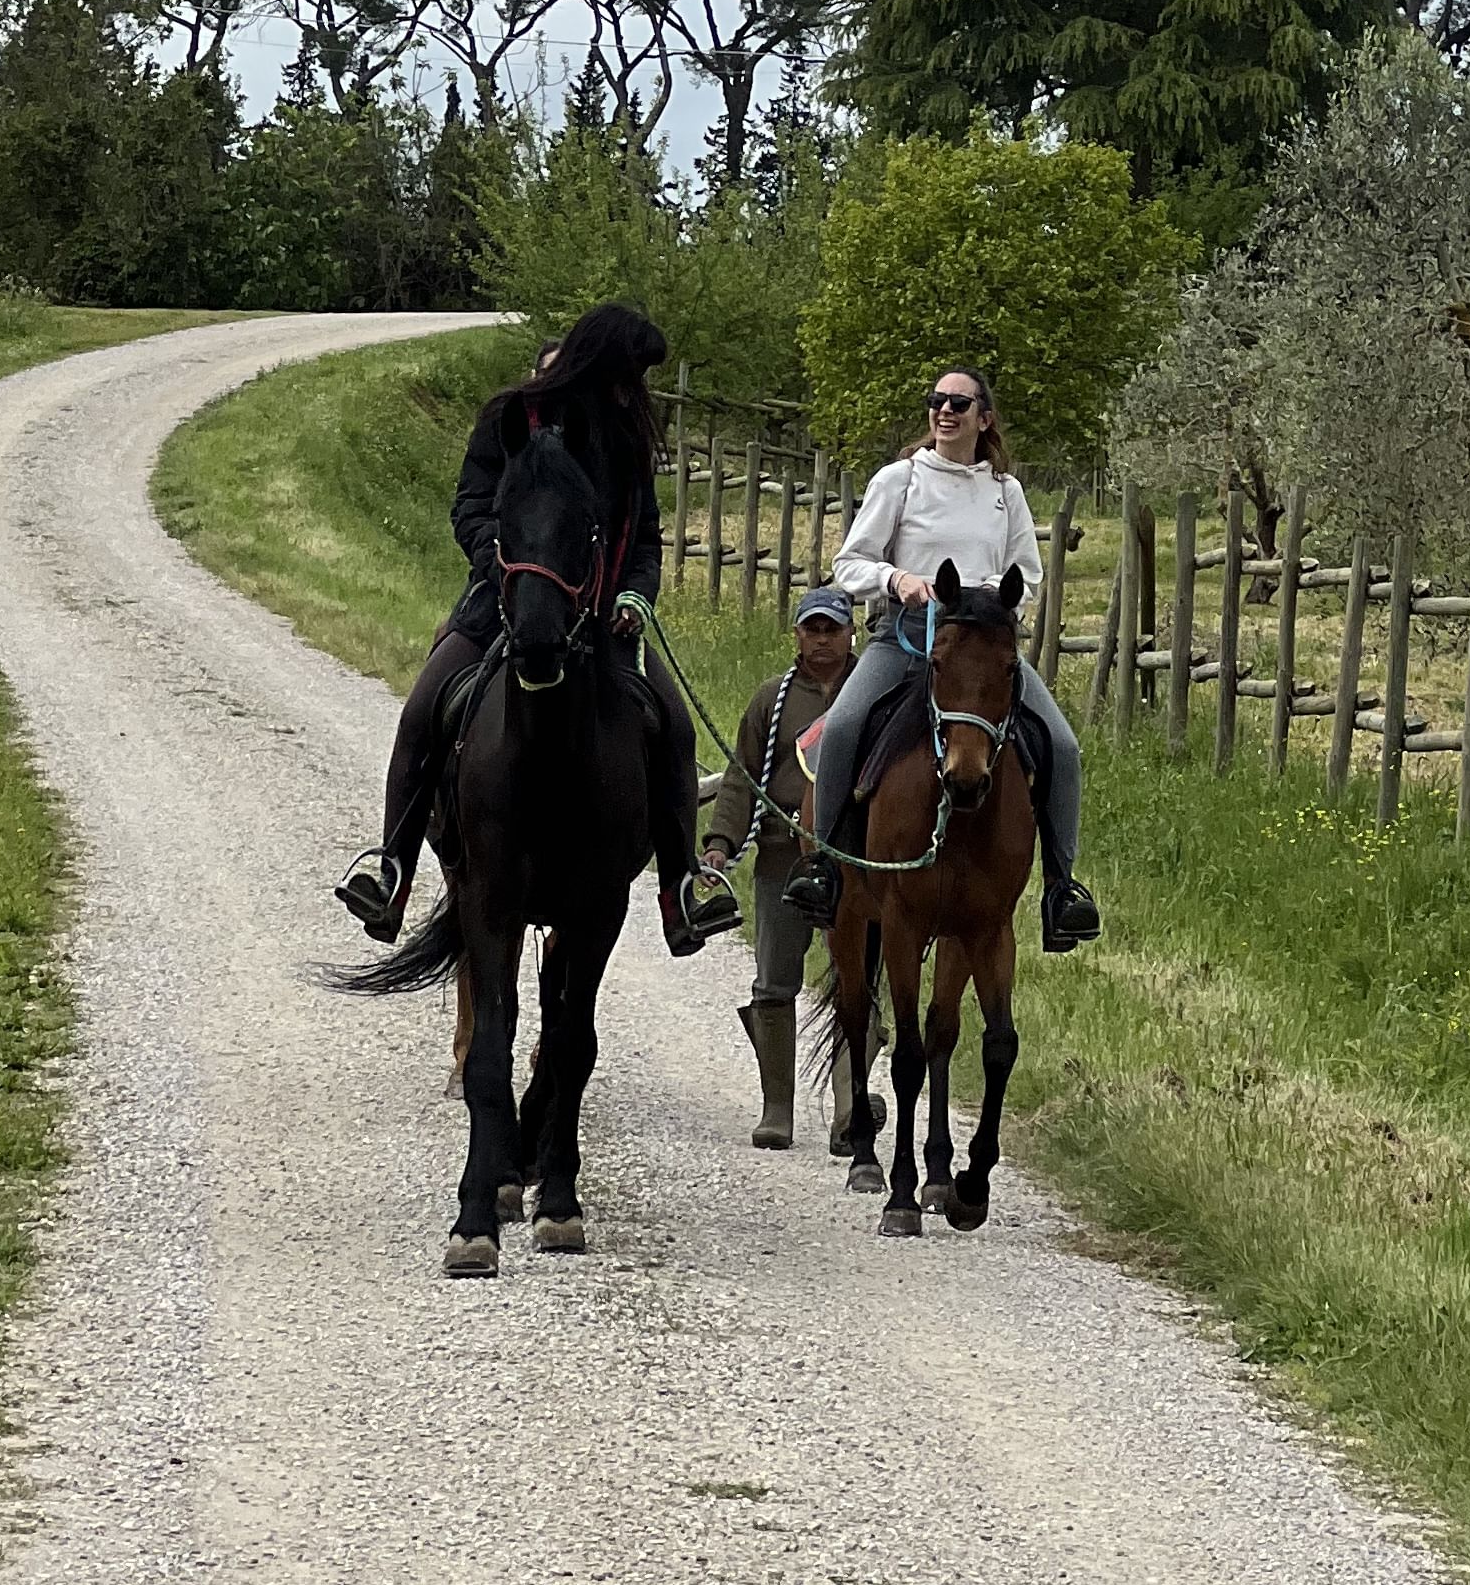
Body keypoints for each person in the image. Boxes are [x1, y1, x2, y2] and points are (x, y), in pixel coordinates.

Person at [335, 303, 740, 959]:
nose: (638, 387)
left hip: (604, 621)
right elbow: (470, 505)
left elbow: (645, 537)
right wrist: (519, 574)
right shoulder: (508, 416)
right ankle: (391, 870)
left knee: (676, 725)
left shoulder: (624, 436)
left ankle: (682, 889)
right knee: (422, 712)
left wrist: (636, 592)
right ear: (604, 360)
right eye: (634, 371)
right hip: (502, 605)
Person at [782, 366, 1100, 952]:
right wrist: (896, 577)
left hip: (977, 648)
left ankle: (1062, 889)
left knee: (1063, 746)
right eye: (937, 401)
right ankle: (825, 868)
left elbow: (1026, 574)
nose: (945, 412)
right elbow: (850, 564)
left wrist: (983, 602)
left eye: (960, 403)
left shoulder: (1006, 494)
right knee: (848, 724)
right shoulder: (900, 480)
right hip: (903, 639)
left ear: (984, 418)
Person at [700, 587, 858, 1148]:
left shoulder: (873, 694)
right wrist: (720, 842)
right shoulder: (772, 699)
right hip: (782, 857)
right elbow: (742, 775)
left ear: (850, 632)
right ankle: (777, 1108)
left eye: (831, 629)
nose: (821, 640)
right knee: (773, 981)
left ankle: (850, 1110)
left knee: (856, 979)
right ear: (796, 634)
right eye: (811, 629)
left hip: (855, 861)